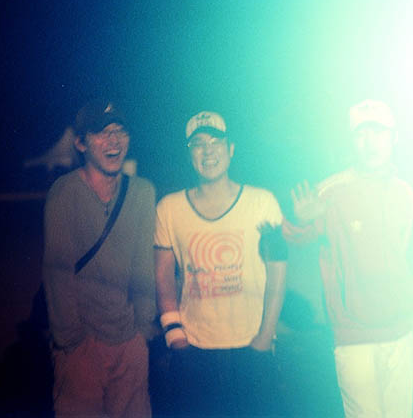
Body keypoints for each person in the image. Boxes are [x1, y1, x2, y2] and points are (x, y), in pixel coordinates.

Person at [283, 99, 413, 417]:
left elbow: (405, 254)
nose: (371, 142)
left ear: (394, 137)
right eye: (361, 134)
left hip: (400, 331)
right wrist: (301, 219)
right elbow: (294, 236)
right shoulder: (332, 191)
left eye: (379, 132)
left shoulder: (405, 192)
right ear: (351, 141)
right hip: (353, 335)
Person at [154, 111, 288, 416]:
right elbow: (163, 276)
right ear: (189, 154)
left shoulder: (261, 202)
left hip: (252, 345)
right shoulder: (170, 208)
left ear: (231, 149)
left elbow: (278, 270)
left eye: (216, 142)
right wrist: (175, 337)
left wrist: (265, 337)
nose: (208, 151)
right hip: (194, 349)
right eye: (198, 144)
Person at [42, 99, 156, 417]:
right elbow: (58, 272)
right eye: (101, 133)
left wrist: (143, 329)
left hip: (130, 342)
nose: (113, 140)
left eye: (120, 131)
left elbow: (143, 264)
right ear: (81, 143)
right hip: (81, 344)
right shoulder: (64, 193)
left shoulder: (142, 192)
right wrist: (71, 340)